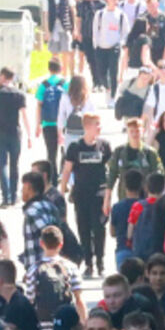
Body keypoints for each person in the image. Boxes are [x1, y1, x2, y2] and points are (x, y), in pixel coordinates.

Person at [60, 113, 113, 279]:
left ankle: (100, 263)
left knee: (99, 229)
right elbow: (67, 170)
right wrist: (62, 192)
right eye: (97, 124)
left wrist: (109, 195)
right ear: (87, 127)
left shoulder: (104, 145)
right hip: (81, 194)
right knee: (84, 229)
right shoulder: (75, 147)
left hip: (99, 193)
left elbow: (111, 171)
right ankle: (88, 263)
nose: (100, 128)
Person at [0, 67, 32, 208]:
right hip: (15, 132)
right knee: (14, 165)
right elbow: (24, 115)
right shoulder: (19, 94)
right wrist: (29, 135)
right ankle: (14, 195)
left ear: (3, 77)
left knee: (2, 165)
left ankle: (6, 197)